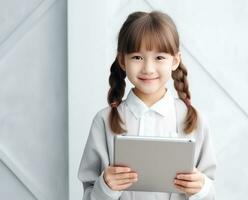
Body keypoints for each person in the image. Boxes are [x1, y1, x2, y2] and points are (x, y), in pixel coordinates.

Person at [78, 10, 217, 200]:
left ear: (175, 61)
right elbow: (89, 194)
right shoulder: (103, 121)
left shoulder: (194, 120)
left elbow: (209, 190)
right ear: (122, 60)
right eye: (137, 57)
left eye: (159, 57)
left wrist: (200, 188)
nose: (148, 69)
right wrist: (106, 186)